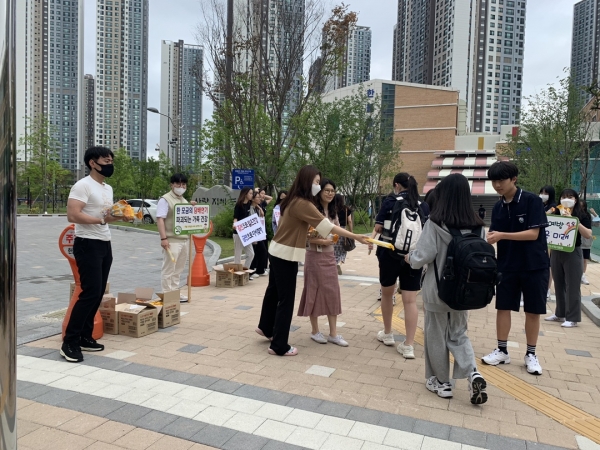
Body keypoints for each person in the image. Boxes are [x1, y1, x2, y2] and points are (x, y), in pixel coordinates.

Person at [256, 165, 368, 356]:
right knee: (286, 300)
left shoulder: (292, 199)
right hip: (286, 255)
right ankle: (279, 346)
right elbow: (327, 226)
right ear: (307, 182)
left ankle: (266, 327)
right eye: (316, 182)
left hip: (276, 250)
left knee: (274, 292)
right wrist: (355, 236)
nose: (318, 186)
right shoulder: (303, 204)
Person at [406, 174, 488, 404]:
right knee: (459, 334)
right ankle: (473, 373)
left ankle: (442, 383)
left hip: (437, 292)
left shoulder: (435, 223)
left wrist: (410, 258)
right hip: (464, 293)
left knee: (435, 336)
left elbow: (422, 256)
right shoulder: (478, 226)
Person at [482, 161, 549, 375]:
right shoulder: (498, 206)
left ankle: (531, 354)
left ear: (514, 179)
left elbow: (533, 234)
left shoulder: (532, 201)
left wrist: (502, 235)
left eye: (501, 180)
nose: (497, 185)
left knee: (533, 310)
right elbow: (494, 234)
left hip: (534, 265)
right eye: (494, 181)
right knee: (503, 307)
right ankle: (502, 350)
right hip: (507, 264)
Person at [63, 147, 122, 363]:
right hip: (87, 243)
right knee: (89, 293)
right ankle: (69, 342)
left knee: (97, 293)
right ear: (92, 163)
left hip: (104, 243)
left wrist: (120, 216)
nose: (110, 164)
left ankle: (85, 337)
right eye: (105, 160)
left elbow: (105, 216)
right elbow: (73, 214)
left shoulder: (107, 188)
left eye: (111, 160)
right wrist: (102, 220)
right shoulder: (83, 185)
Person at [368, 172, 430, 359]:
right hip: (413, 257)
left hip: (389, 253)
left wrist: (372, 239)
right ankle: (408, 345)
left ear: (397, 185)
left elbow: (378, 228)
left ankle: (388, 333)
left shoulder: (390, 201)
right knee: (410, 301)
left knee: (387, 294)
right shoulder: (423, 206)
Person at [298, 179, 348, 347]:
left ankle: (333, 333)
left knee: (332, 292)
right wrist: (322, 241)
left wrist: (333, 239)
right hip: (314, 256)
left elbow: (337, 231)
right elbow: (305, 236)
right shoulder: (312, 210)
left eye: (332, 190)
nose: (330, 193)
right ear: (319, 192)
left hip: (329, 257)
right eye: (327, 190)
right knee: (313, 291)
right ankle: (315, 331)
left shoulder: (333, 212)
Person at [545, 190, 592, 327]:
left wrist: (573, 220)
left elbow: (588, 234)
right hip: (556, 250)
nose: (567, 199)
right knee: (558, 283)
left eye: (570, 197)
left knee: (572, 285)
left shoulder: (582, 215)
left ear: (575, 200)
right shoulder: (556, 212)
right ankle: (560, 313)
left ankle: (572, 317)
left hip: (573, 252)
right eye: (564, 197)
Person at [156, 173, 197, 302]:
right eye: (178, 184)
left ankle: (175, 292)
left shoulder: (183, 200)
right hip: (172, 240)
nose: (181, 187)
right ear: (172, 185)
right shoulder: (165, 199)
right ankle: (167, 294)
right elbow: (160, 219)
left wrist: (192, 207)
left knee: (178, 269)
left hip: (184, 240)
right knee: (169, 268)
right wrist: (163, 239)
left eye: (183, 184)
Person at [233, 187, 256, 279]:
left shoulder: (250, 204)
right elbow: (235, 217)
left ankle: (245, 272)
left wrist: (260, 209)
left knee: (251, 254)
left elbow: (259, 201)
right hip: (238, 233)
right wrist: (235, 224)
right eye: (250, 193)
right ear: (245, 194)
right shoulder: (239, 205)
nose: (251, 195)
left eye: (252, 193)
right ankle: (236, 276)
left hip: (246, 233)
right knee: (238, 255)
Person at [540, 185, 558, 300]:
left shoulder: (553, 207)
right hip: (540, 237)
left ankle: (547, 288)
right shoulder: (540, 204)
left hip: (550, 238)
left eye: (546, 193)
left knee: (549, 264)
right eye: (542, 192)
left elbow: (546, 215)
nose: (543, 195)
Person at [250, 191, 268, 276]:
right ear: (253, 199)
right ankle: (251, 271)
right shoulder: (250, 209)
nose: (260, 199)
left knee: (262, 251)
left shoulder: (256, 208)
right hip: (252, 234)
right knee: (253, 252)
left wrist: (260, 209)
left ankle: (259, 270)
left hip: (258, 234)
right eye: (258, 197)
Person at [333, 193, 353, 275]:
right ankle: (339, 263)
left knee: (334, 250)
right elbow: (350, 221)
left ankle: (334, 264)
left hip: (334, 230)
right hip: (343, 231)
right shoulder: (346, 209)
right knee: (343, 250)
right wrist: (351, 232)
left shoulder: (332, 209)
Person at [580, 200, 593, 285]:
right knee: (578, 258)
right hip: (578, 240)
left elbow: (597, 221)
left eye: (582, 206)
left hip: (586, 240)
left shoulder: (588, 215)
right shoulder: (575, 214)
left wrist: (594, 213)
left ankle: (583, 275)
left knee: (585, 258)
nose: (581, 208)